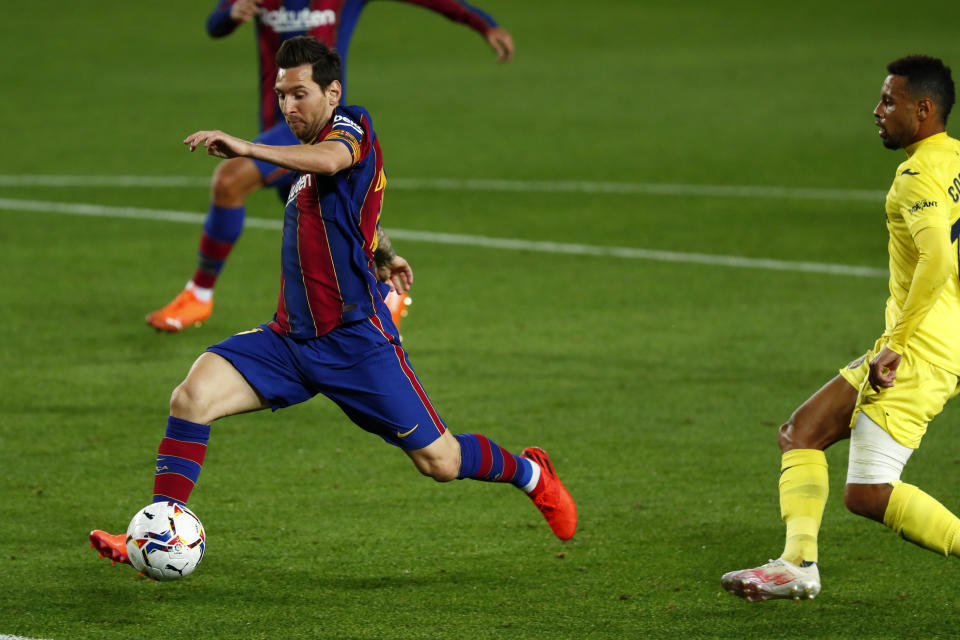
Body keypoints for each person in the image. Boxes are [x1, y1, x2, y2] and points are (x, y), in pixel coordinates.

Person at [91, 37, 575, 570]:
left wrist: (249, 148)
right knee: (191, 396)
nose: (287, 106)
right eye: (281, 94)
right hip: (290, 340)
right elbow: (354, 211)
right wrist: (385, 253)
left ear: (332, 92)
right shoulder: (303, 165)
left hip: (356, 345)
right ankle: (157, 531)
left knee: (440, 461)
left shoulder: (351, 126)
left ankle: (533, 474)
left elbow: (330, 159)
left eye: (300, 93)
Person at [721, 55, 960, 602]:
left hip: (919, 349)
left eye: (889, 101)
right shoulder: (957, 163)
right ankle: (798, 562)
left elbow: (938, 261)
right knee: (801, 431)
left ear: (923, 109)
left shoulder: (918, 174)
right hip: (935, 338)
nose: (877, 111)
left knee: (869, 493)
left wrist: (897, 345)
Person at [146, 0, 515, 332]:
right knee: (334, 220)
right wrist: (231, 13)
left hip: (324, 132)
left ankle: (199, 293)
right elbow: (215, 24)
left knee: (230, 180)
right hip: (280, 124)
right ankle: (386, 291)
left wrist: (485, 24)